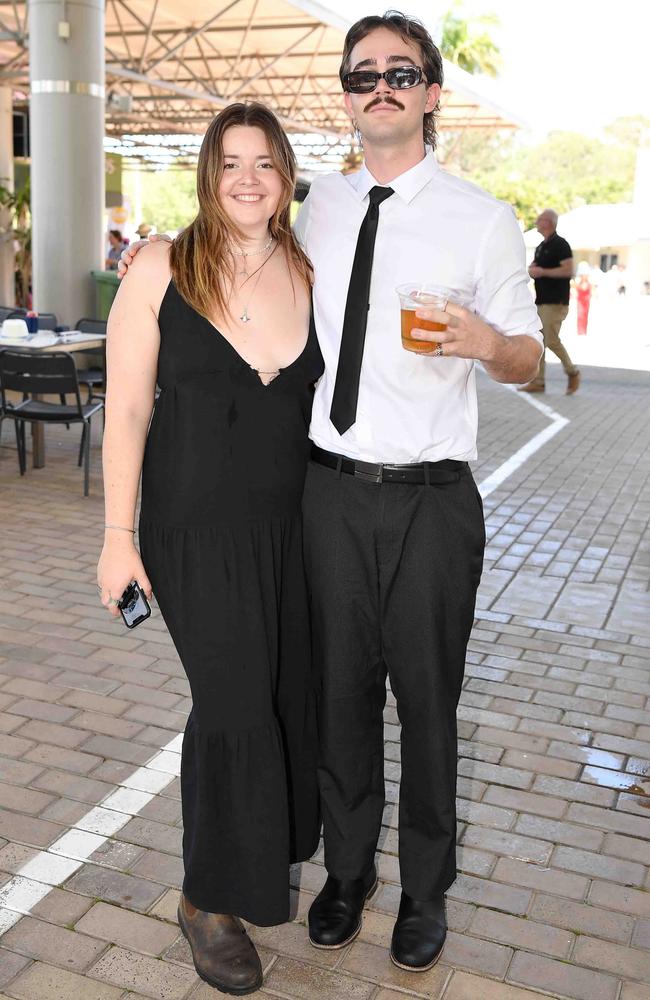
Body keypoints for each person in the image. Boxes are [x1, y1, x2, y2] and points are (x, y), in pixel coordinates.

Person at [119, 10, 543, 975]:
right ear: (347, 98)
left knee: (428, 705)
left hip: (432, 497)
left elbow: (524, 357)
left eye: (401, 71)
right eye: (363, 75)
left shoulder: (482, 217)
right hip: (324, 498)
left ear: (432, 92)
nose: (380, 86)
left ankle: (424, 891)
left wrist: (486, 344)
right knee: (337, 700)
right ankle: (348, 875)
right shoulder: (320, 211)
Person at [98, 102, 322, 996]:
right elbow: (125, 410)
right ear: (206, 171)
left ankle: (267, 855)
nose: (247, 179)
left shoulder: (308, 269)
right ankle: (207, 899)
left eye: (264, 162)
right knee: (231, 707)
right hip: (192, 533)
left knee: (278, 697)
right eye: (230, 162)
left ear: (286, 174)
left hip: (293, 532)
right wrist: (117, 538)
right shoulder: (159, 266)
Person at [520, 208, 580, 394]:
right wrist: (533, 270)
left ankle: (572, 371)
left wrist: (543, 272)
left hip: (556, 302)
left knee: (551, 340)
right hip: (542, 300)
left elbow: (568, 270)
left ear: (549, 222)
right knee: (540, 340)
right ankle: (538, 381)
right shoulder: (541, 246)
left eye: (540, 219)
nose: (537, 222)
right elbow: (537, 269)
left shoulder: (560, 245)